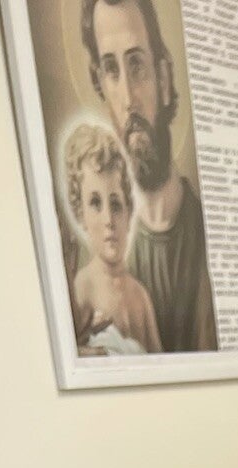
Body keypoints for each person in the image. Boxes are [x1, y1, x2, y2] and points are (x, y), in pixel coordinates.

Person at [79, 0, 216, 353]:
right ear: (100, 85)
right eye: (112, 71)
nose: (129, 99)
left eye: (137, 66)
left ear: (164, 78)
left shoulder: (207, 234)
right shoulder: (100, 258)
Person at [62, 122, 162, 354]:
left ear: (129, 211)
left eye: (116, 205)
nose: (109, 219)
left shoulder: (140, 296)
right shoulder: (82, 289)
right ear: (80, 213)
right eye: (95, 203)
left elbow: (160, 360)